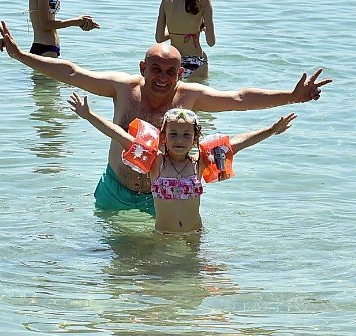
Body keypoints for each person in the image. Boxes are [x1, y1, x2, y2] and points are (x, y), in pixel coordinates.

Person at [0, 22, 331, 215]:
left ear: (180, 73)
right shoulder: (123, 89)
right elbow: (71, 72)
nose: (162, 77)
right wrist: (21, 55)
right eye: (155, 69)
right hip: (115, 188)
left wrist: (292, 95)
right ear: (143, 68)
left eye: (171, 71)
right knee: (115, 271)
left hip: (162, 197)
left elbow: (240, 99)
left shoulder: (189, 97)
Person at [68, 93, 295, 233]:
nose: (179, 140)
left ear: (195, 139)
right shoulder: (155, 162)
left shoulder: (201, 162)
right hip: (163, 236)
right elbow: (120, 135)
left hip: (195, 235)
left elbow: (238, 143)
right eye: (174, 134)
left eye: (186, 135)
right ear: (163, 137)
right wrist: (89, 116)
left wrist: (271, 130)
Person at [156, 0, 216, 79]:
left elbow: (159, 38)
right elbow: (211, 42)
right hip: (196, 62)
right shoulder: (204, 2)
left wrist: (175, 32)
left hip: (173, 62)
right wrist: (198, 29)